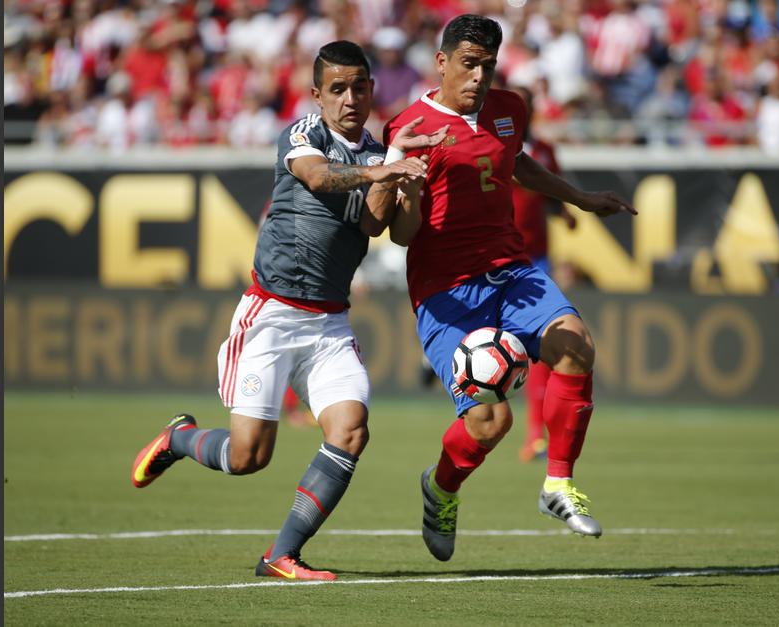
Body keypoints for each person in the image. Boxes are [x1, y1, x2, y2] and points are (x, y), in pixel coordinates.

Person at [131, 40, 447, 581]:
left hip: (329, 323)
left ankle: (282, 555)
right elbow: (321, 177)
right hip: (271, 316)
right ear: (317, 95)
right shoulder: (304, 135)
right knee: (249, 458)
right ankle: (180, 438)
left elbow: (382, 228)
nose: (351, 98)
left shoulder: (378, 152)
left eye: (361, 87)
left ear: (373, 89)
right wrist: (382, 172)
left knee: (350, 430)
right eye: (339, 88)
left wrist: (405, 181)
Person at [382, 14, 637, 562]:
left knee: (577, 346)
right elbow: (402, 236)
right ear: (442, 62)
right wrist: (409, 191)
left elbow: (515, 162)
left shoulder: (509, 109)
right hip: (446, 290)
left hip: (511, 268)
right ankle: (440, 489)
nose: (478, 77)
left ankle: (558, 484)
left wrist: (579, 198)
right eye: (468, 65)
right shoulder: (411, 129)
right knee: (490, 421)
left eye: (488, 66)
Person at [507, 84, 577, 464]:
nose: (524, 111)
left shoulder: (544, 150)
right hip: (499, 258)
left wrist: (564, 211)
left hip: (538, 258)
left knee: (543, 350)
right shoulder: (492, 145)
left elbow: (551, 191)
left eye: (528, 105)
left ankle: (536, 435)